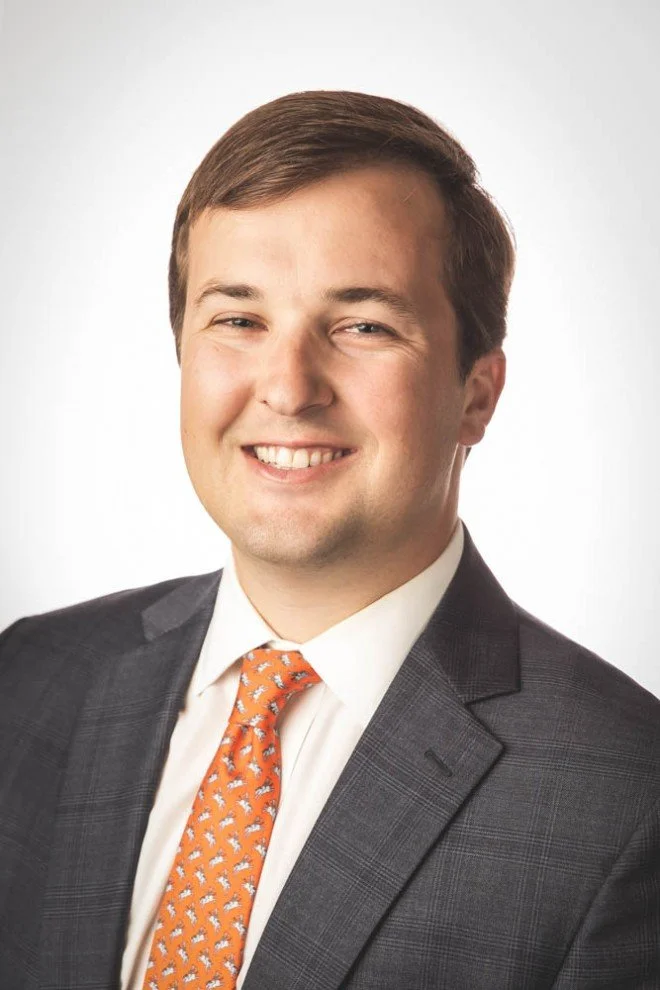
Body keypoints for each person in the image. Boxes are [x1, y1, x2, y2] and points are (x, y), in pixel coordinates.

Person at [0, 89, 658, 990]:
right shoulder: (30, 681)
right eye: (238, 319)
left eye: (362, 325)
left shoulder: (625, 798)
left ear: (477, 393)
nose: (289, 386)